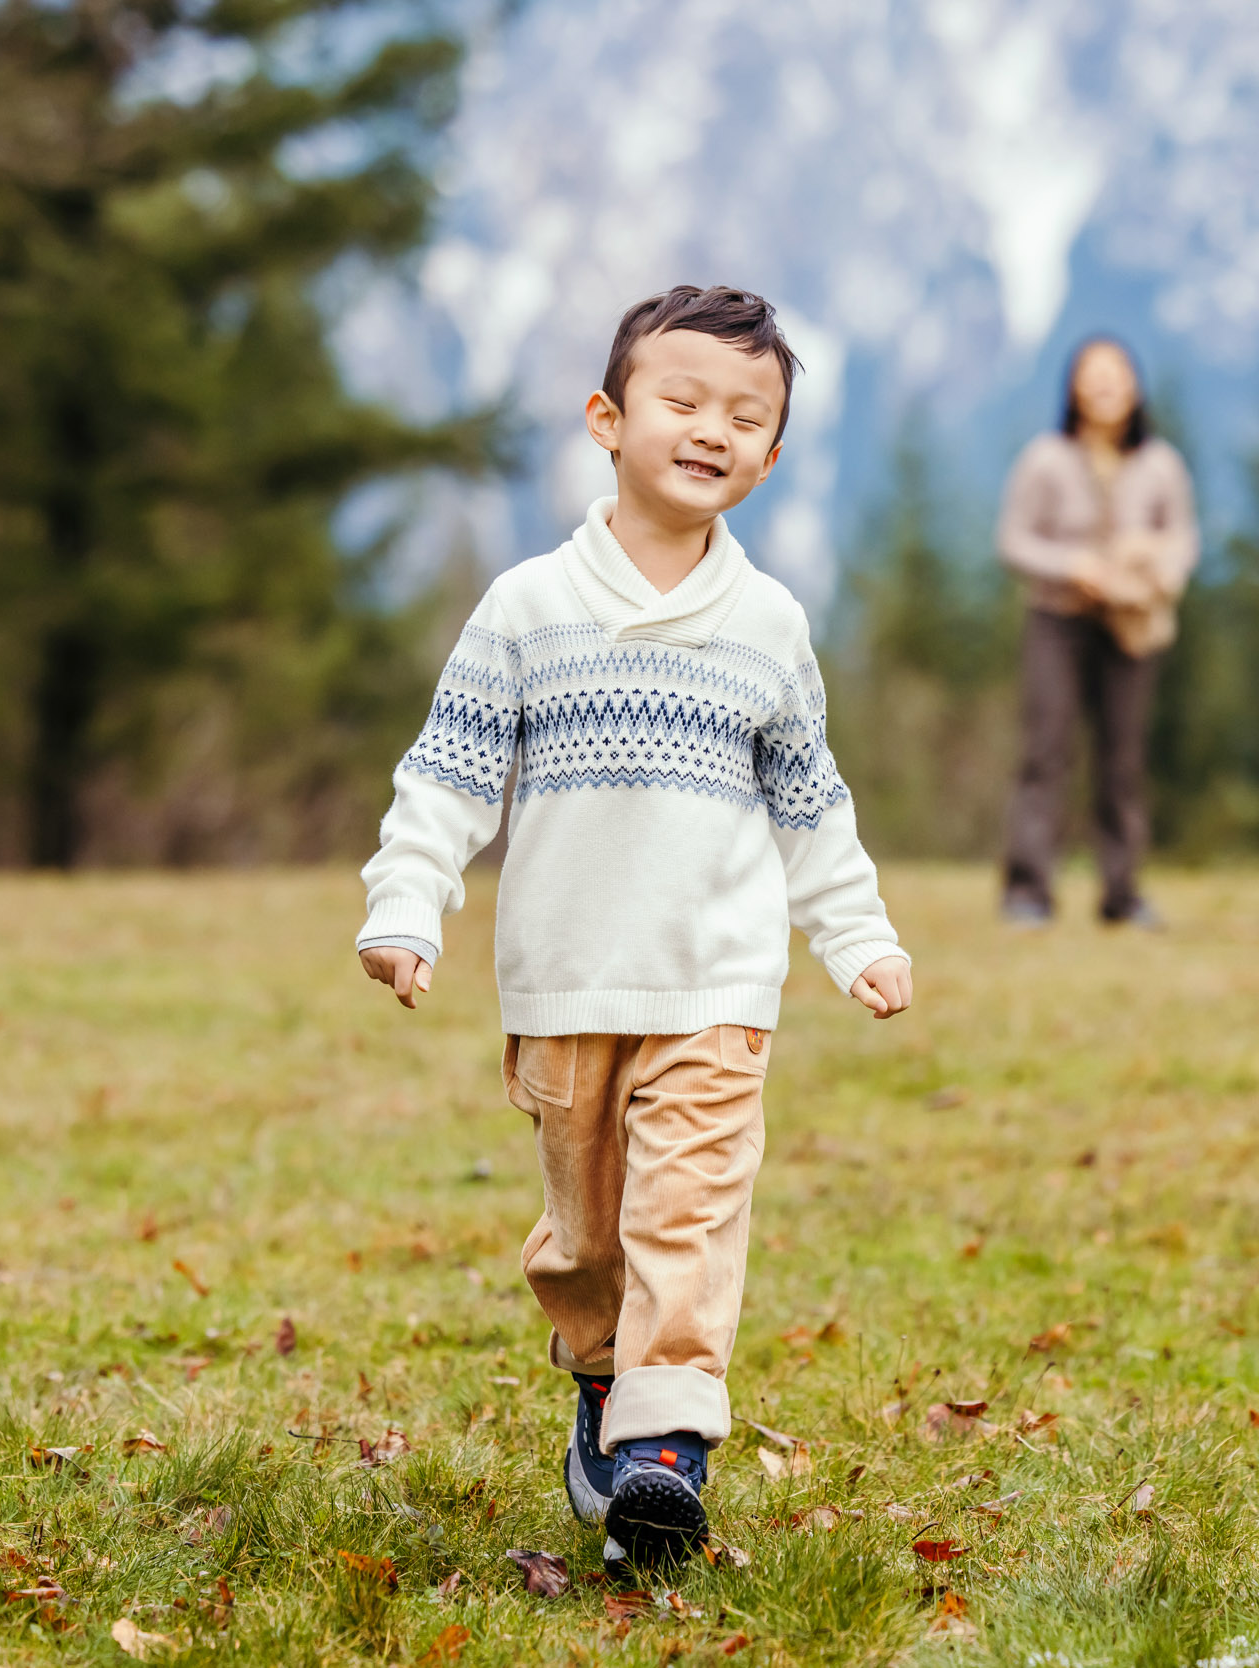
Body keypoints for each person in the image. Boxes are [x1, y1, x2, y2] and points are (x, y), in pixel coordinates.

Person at [352, 286, 912, 1568]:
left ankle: (663, 1449)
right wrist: (407, 900)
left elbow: (809, 802)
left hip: (715, 987)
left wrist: (858, 937)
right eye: (683, 401)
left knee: (689, 1217)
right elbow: (447, 775)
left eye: (746, 418)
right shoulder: (528, 606)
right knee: (588, 1238)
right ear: (608, 420)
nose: (713, 430)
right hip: (565, 987)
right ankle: (603, 1375)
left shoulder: (768, 626)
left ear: (770, 459)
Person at [995, 336, 1199, 929]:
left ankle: (1123, 895)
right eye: (1093, 373)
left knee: (1123, 762)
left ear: (1134, 387)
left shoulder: (1161, 464)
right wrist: (1074, 567)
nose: (1105, 383)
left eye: (1116, 372)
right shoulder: (1044, 458)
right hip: (1056, 621)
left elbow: (1184, 539)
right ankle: (1028, 892)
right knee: (1045, 755)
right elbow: (1013, 540)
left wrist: (1154, 571)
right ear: (1074, 388)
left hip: (1130, 628)